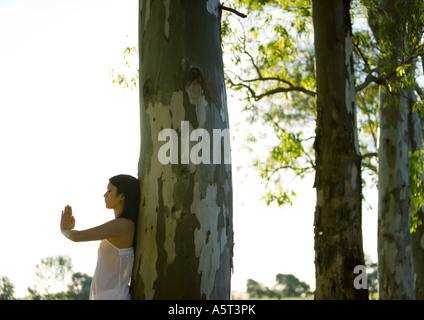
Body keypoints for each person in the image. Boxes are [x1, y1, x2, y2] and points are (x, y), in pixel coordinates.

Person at [60, 174, 140, 300]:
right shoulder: (122, 225)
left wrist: (64, 230)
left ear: (122, 196)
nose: (105, 195)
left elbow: (77, 236)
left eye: (109, 191)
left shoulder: (123, 225)